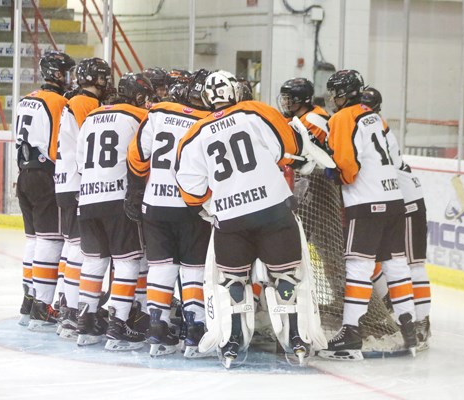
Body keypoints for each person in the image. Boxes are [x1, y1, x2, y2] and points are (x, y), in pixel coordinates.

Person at [175, 70, 309, 367]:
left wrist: (216, 200)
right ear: (236, 91)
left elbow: (190, 190)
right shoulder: (255, 111)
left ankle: (234, 339)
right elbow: (288, 148)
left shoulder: (195, 133)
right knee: (285, 278)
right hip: (273, 210)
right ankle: (296, 337)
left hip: (231, 219)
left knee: (234, 282)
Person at [318, 70, 417, 360]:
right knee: (396, 265)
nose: (332, 97)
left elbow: (347, 167)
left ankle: (351, 332)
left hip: (366, 202)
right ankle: (409, 328)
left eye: (336, 92)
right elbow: (396, 159)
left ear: (347, 93)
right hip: (394, 200)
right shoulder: (376, 117)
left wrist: (334, 172)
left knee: (359, 267)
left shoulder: (341, 118)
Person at [125, 69, 213, 357]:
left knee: (161, 267)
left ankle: (158, 329)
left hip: (155, 206)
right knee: (193, 269)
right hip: (191, 207)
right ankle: (195, 331)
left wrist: (139, 189)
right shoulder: (209, 121)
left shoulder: (158, 112)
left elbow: (137, 157)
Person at [75, 72, 154, 350]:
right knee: (127, 262)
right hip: (118, 199)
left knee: (94, 261)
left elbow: (79, 162)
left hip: (87, 199)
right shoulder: (138, 117)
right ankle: (118, 326)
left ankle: (85, 321)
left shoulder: (91, 117)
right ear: (140, 96)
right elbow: (145, 159)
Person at [361, 86, 432, 351]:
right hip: (391, 199)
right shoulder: (374, 125)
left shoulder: (373, 126)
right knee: (377, 258)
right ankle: (396, 307)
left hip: (407, 197)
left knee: (412, 264)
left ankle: (422, 321)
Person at [15, 51, 75, 330]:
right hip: (44, 176)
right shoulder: (59, 102)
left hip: (24, 174)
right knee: (51, 242)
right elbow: (56, 147)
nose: (69, 78)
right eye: (66, 73)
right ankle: (42, 305)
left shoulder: (24, 100)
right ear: (57, 74)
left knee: (33, 240)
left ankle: (29, 300)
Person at [54, 57, 112, 340]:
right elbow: (85, 146)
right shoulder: (83, 103)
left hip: (66, 182)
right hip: (77, 183)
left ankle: (68, 309)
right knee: (79, 250)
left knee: (73, 248)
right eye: (104, 77)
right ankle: (71, 313)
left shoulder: (75, 100)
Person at [277, 77, 330, 145]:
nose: (284, 103)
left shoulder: (315, 119)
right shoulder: (291, 117)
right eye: (283, 98)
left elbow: (307, 148)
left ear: (298, 100)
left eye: (287, 99)